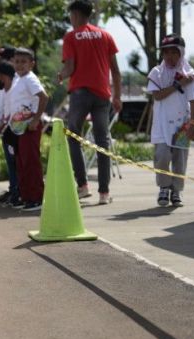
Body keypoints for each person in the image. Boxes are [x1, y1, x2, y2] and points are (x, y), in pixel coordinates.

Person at [58, 0, 121, 205]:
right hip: (103, 95)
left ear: (75, 15)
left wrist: (60, 75)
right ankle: (104, 193)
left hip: (80, 93)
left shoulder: (71, 37)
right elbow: (116, 70)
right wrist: (117, 96)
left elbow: (70, 67)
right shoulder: (105, 35)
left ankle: (83, 186)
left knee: (74, 137)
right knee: (102, 142)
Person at [147, 34, 194, 207]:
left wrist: (192, 124)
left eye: (173, 53)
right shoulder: (157, 73)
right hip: (161, 125)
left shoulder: (189, 74)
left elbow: (193, 100)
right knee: (161, 157)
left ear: (181, 53)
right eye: (165, 53)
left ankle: (176, 191)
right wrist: (178, 85)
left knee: (180, 160)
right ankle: (164, 187)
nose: (169, 57)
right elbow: (158, 95)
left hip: (182, 125)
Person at [9, 48, 49, 211]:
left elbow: (44, 97)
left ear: (32, 64)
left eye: (23, 62)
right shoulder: (18, 79)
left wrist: (36, 118)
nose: (19, 65)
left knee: (31, 161)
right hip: (18, 125)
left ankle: (36, 198)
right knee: (21, 162)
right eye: (17, 61)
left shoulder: (30, 79)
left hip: (29, 124)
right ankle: (27, 197)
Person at [0, 47, 19, 205]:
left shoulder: (14, 80)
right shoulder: (5, 81)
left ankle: (17, 192)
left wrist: (4, 123)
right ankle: (13, 189)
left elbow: (12, 107)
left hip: (11, 126)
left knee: (15, 162)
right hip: (5, 127)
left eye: (1, 58)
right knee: (11, 163)